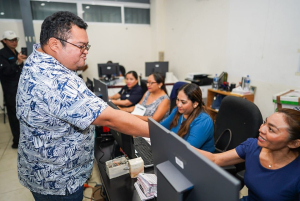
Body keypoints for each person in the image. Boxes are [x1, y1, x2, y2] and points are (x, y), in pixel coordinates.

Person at [16, 11, 148, 201]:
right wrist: (160, 134)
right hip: (59, 182)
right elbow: (110, 118)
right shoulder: (56, 79)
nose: (86, 51)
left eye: (87, 46)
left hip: (40, 171)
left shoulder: (36, 59)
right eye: (81, 46)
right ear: (54, 44)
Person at [196, 108, 300, 200]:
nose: (261, 129)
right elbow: (215, 159)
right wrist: (181, 147)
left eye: (271, 129)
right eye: (265, 123)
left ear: (294, 143)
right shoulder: (252, 146)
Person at [160, 83, 214, 152]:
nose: (178, 104)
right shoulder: (177, 111)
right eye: (177, 99)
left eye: (183, 102)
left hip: (195, 160)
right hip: (175, 152)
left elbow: (187, 150)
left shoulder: (203, 121)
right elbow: (160, 127)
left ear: (195, 104)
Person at [0, 30, 27, 149]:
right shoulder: (1, 54)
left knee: (21, 115)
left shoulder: (15, 52)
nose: (14, 42)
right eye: (11, 40)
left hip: (19, 89)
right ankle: (17, 141)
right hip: (11, 91)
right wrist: (17, 62)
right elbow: (5, 71)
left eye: (15, 39)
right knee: (14, 116)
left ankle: (23, 139)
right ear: (4, 41)